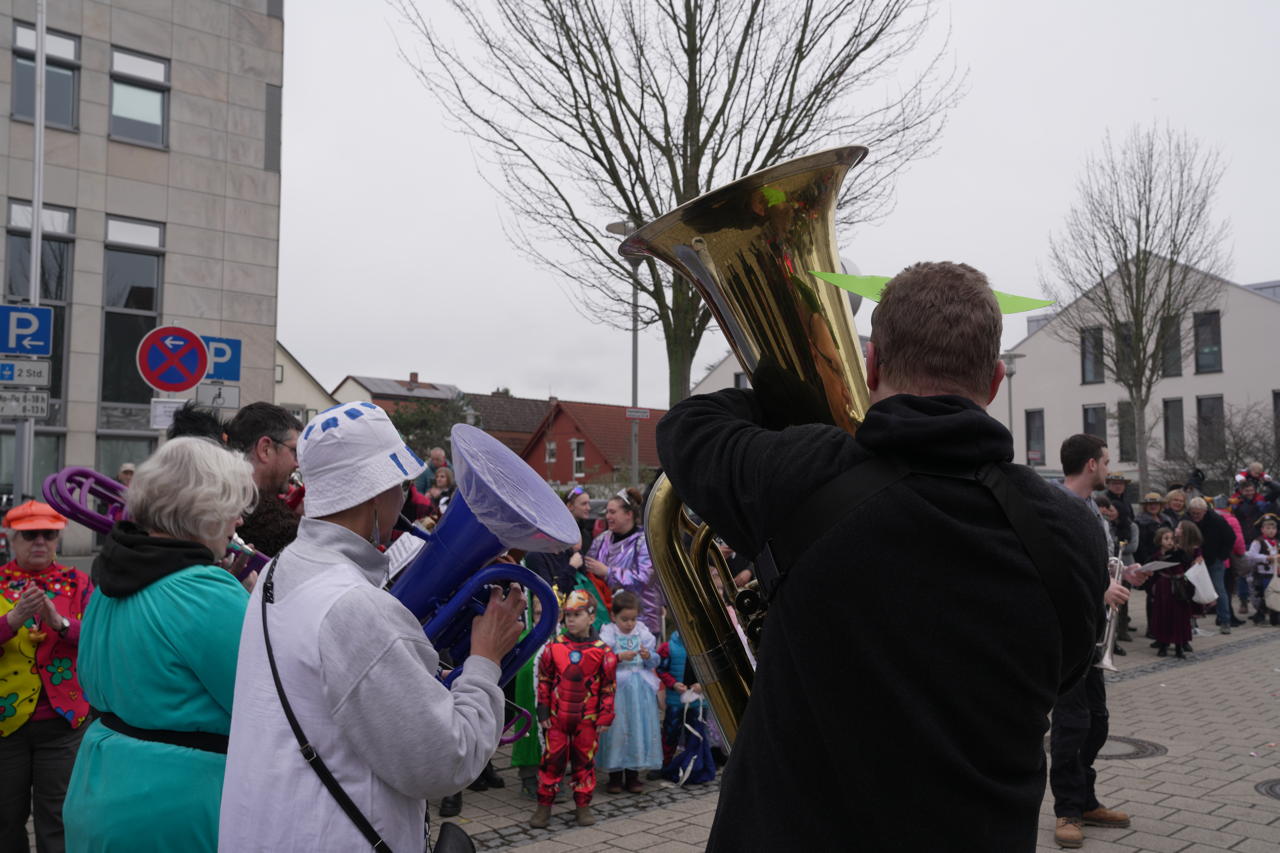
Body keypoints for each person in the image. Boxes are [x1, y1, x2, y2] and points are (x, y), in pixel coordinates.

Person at [656, 262, 1107, 851]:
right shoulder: (1072, 529)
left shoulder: (801, 474)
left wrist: (792, 391)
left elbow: (687, 426)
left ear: (869, 366)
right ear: (995, 381)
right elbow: (1066, 671)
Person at [219, 402, 525, 852]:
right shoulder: (354, 606)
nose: (403, 496)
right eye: (400, 485)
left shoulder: (279, 570)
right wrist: (484, 660)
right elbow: (445, 761)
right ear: (377, 494)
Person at [62, 438, 256, 852]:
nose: (238, 520)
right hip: (176, 806)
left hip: (98, 784)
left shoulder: (110, 579)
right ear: (203, 511)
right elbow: (263, 705)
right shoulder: (205, 591)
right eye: (231, 507)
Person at [1049, 434, 1150, 850]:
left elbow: (1101, 565)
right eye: (1106, 461)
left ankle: (1086, 798)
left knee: (1098, 721)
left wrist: (1125, 576)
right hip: (1068, 632)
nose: (1110, 468)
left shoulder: (1095, 511)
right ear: (1091, 464)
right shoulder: (1055, 509)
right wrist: (1098, 590)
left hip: (1094, 632)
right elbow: (1054, 571)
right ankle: (1067, 809)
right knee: (1071, 725)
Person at [0, 502, 92, 853]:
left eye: (48, 534)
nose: (39, 541)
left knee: (58, 820)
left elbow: (98, 637)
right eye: (29, 535)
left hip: (63, 723)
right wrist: (12, 620)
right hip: (5, 725)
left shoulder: (78, 583)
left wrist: (60, 623)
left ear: (57, 540)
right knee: (6, 820)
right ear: (12, 539)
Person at [530, 590, 616, 829]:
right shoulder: (554, 647)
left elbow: (608, 687)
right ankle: (544, 806)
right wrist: (543, 709)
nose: (570, 619)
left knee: (584, 762)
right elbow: (545, 679)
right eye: (568, 614)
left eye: (577, 614)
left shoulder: (603, 652)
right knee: (551, 761)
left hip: (586, 720)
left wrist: (606, 715)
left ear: (591, 617)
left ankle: (583, 806)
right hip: (557, 719)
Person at [598, 590, 662, 794]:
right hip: (617, 689)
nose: (629, 624)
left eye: (633, 619)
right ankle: (615, 775)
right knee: (617, 729)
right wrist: (617, 657)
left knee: (637, 727)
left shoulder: (642, 632)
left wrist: (647, 655)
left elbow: (655, 660)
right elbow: (600, 660)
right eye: (624, 619)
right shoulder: (608, 633)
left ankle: (633, 774)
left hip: (639, 688)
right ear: (613, 616)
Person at [223, 402, 304, 557]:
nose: (297, 463)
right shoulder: (278, 528)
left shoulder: (221, 500)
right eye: (294, 451)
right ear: (265, 449)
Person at [583, 488, 661, 636]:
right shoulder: (602, 539)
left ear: (628, 515)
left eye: (612, 512)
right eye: (607, 512)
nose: (607, 516)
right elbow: (588, 572)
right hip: (608, 621)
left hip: (641, 622)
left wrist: (608, 572)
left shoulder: (644, 542)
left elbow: (645, 578)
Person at [1187, 496, 1239, 633]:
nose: (1195, 516)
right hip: (1193, 559)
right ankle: (1192, 620)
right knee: (1192, 589)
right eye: (1193, 513)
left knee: (1219, 590)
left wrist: (1222, 556)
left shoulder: (1217, 520)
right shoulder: (1187, 519)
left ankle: (1225, 621)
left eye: (1198, 513)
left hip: (1214, 559)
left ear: (1205, 511)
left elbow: (1231, 537)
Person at [1147, 524, 1198, 658]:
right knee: (1164, 615)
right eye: (1166, 538)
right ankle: (1163, 644)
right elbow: (1151, 571)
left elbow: (1188, 563)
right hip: (1163, 588)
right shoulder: (1156, 556)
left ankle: (1179, 646)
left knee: (1179, 616)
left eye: (1172, 539)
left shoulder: (1180, 553)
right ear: (1159, 541)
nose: (1170, 541)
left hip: (1179, 587)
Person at [1244, 514, 1280, 626]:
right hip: (1262, 573)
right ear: (1262, 529)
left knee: (1275, 594)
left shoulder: (1277, 542)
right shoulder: (1258, 542)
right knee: (1262, 595)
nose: (1271, 531)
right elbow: (1251, 556)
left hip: (1275, 573)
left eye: (1273, 528)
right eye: (1268, 528)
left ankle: (1275, 616)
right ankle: (1260, 615)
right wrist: (1267, 558)